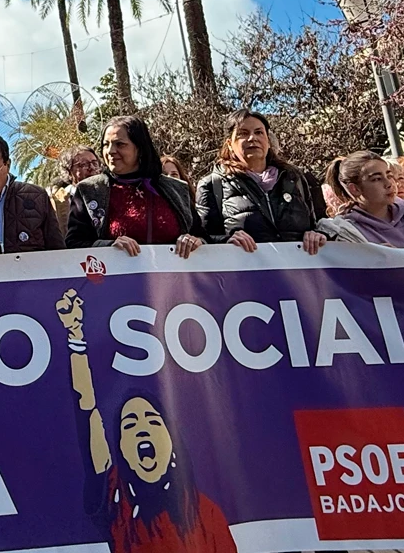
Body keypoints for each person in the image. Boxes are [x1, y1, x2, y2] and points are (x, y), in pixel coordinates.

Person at [56, 289, 237, 553]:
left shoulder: (206, 513)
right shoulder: (115, 499)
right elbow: (87, 410)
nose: (142, 430)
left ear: (171, 440)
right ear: (119, 449)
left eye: (152, 421)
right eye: (129, 425)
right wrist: (76, 336)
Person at [67, 116, 205, 258]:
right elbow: (74, 243)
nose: (110, 151)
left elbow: (202, 237)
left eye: (119, 144)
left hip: (174, 277)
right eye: (105, 144)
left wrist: (195, 242)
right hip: (117, 278)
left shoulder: (176, 189)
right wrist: (108, 246)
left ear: (139, 147)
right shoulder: (89, 191)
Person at [196, 110, 324, 255]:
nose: (252, 138)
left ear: (268, 141)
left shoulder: (295, 178)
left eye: (259, 132)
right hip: (246, 274)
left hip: (299, 272)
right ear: (229, 144)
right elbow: (202, 239)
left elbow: (317, 225)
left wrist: (316, 235)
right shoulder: (212, 186)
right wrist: (226, 240)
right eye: (243, 133)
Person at [317, 151, 404, 248]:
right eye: (377, 179)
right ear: (355, 189)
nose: (389, 184)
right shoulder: (342, 231)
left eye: (389, 175)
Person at [51, 145, 103, 236]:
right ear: (69, 171)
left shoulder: (108, 193)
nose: (92, 168)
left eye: (95, 163)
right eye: (83, 164)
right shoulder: (60, 200)